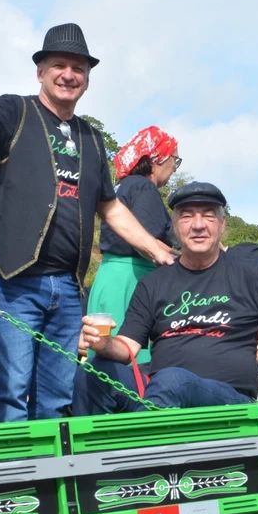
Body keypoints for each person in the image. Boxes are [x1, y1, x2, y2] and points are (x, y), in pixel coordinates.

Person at [0, 24, 175, 422]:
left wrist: (155, 247)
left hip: (69, 290)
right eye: (59, 65)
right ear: (41, 71)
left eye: (78, 68)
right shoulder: (13, 111)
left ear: (87, 79)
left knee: (57, 398)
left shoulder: (90, 136)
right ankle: (16, 482)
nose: (68, 74)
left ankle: (49, 482)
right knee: (11, 397)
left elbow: (110, 207)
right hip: (12, 282)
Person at [74, 182, 258, 422]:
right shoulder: (153, 283)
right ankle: (90, 464)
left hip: (229, 400)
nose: (198, 225)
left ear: (222, 224)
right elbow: (128, 347)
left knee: (174, 381)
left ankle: (147, 463)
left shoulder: (251, 274)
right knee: (96, 370)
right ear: (175, 226)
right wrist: (105, 344)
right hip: (162, 391)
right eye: (187, 215)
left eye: (208, 215)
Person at [87, 127, 181, 364]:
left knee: (102, 358)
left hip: (109, 277)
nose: (174, 169)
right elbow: (147, 241)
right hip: (132, 280)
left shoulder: (123, 186)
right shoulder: (143, 187)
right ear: (157, 160)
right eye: (175, 160)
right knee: (130, 361)